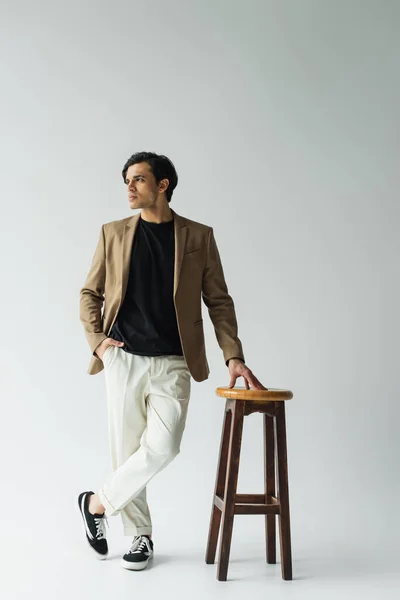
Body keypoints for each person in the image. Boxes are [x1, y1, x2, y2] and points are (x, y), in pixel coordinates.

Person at [77, 151, 265, 570]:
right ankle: (139, 536)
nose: (129, 187)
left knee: (164, 446)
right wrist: (99, 342)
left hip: (174, 361)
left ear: (163, 185)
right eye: (127, 180)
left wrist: (232, 355)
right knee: (127, 452)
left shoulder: (198, 237)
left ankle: (95, 504)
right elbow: (90, 293)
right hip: (124, 357)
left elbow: (218, 300)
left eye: (139, 179)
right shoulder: (113, 233)